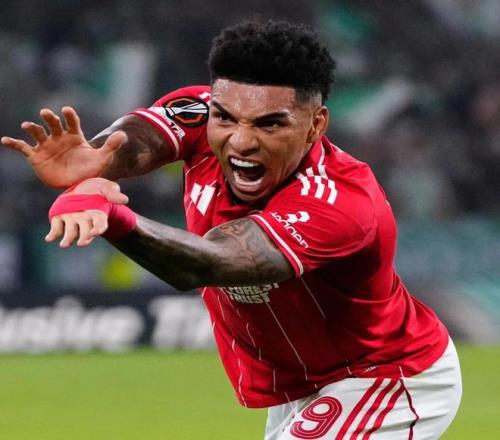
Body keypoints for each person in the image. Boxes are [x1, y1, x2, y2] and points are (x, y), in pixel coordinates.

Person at [1, 20, 461, 439]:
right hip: (307, 382)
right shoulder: (207, 112)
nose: (241, 141)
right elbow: (143, 135)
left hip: (383, 375)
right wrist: (98, 160)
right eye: (225, 118)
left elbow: (214, 262)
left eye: (269, 124)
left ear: (315, 124)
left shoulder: (339, 201)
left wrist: (112, 214)